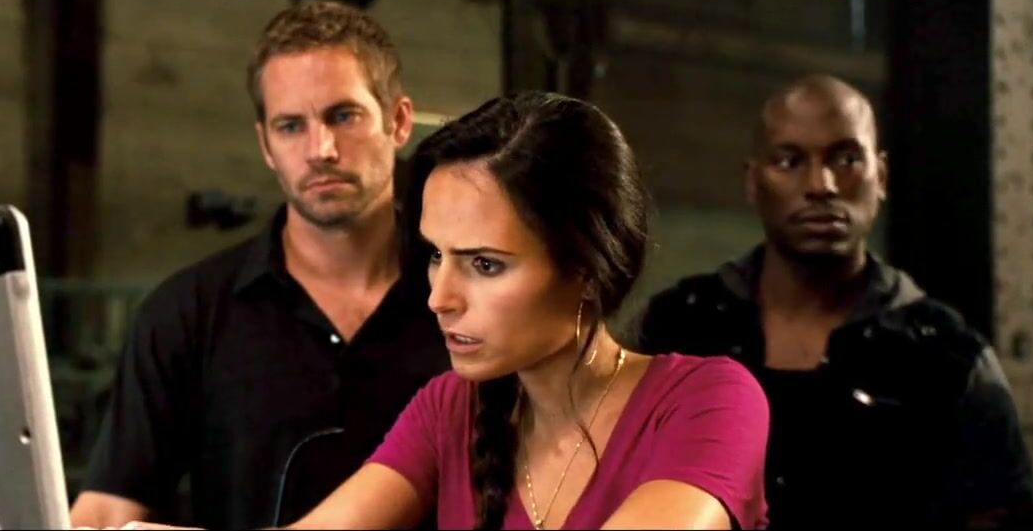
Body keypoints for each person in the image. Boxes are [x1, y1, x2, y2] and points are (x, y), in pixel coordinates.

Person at [260, 91, 769, 530]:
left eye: (485, 264)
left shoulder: (709, 401)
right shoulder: (451, 409)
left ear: (586, 269)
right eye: (436, 255)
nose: (439, 298)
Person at [68, 1, 450, 529]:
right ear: (265, 145)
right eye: (291, 126)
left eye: (343, 116)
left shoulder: (462, 296)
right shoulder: (187, 314)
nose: (321, 149)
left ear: (399, 121)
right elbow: (105, 513)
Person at [630, 74, 1033, 528]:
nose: (821, 185)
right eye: (789, 161)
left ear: (880, 176)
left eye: (846, 159)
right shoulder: (676, 329)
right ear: (752, 180)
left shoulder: (948, 357)